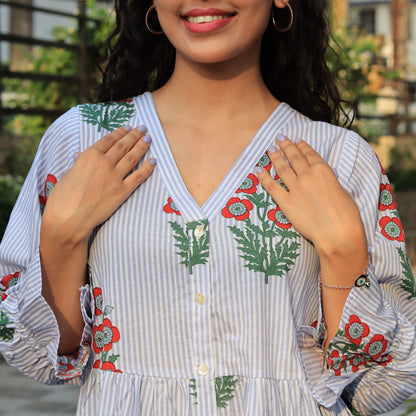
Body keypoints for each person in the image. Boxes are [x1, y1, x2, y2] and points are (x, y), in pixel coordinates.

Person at [0, 0, 415, 414]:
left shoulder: (341, 159)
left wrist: (343, 251)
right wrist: (61, 236)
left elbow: (378, 387)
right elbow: (37, 357)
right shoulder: (79, 141)